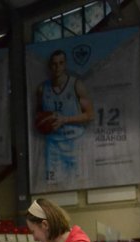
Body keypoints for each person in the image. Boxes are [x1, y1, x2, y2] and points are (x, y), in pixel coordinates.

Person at [36, 49, 94, 186]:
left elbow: (90, 114)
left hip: (75, 141)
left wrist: (65, 119)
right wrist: (46, 121)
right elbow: (38, 116)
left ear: (65, 64)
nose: (57, 67)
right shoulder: (42, 89)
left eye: (61, 63)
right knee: (53, 186)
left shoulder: (76, 85)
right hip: (54, 144)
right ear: (50, 66)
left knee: (81, 183)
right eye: (54, 64)